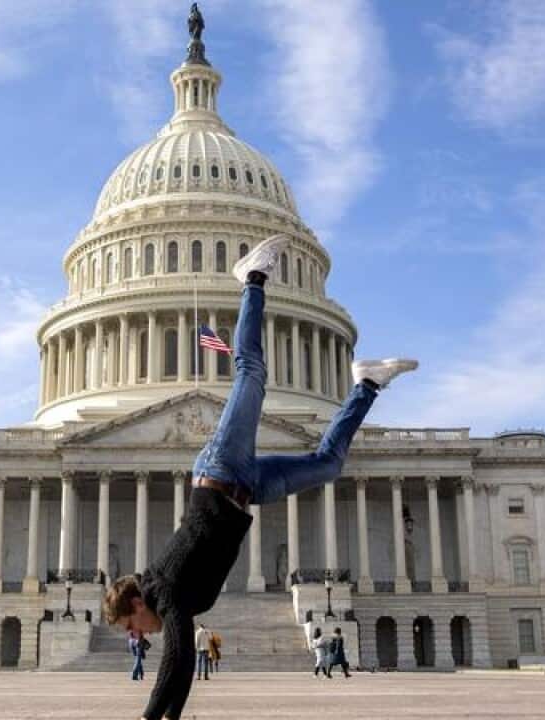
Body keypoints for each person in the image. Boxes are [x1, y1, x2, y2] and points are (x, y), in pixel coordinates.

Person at [102, 234, 418, 720]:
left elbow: (176, 663)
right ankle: (366, 384)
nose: (138, 634)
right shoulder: (170, 607)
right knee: (329, 465)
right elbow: (180, 664)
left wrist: (152, 718)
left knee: (250, 373)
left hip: (221, 470)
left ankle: (251, 277)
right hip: (246, 489)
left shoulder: (164, 592)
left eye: (133, 626)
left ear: (135, 603)